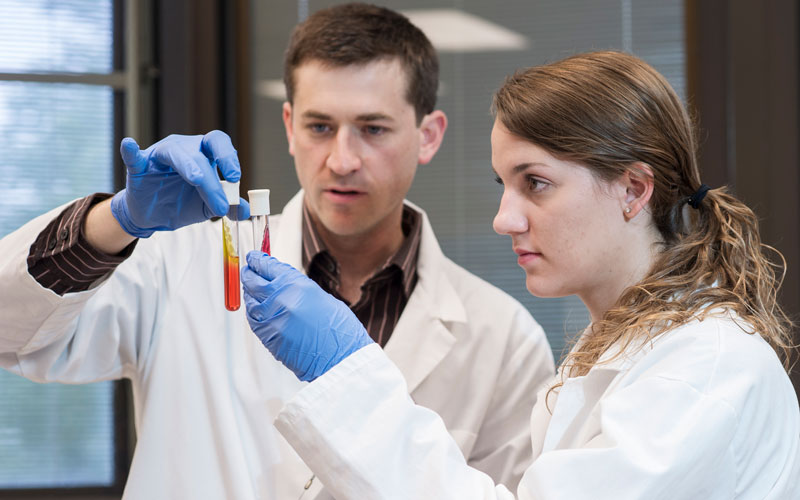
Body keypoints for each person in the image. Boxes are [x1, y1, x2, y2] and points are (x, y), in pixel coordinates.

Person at [0, 3, 554, 499]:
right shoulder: (179, 264)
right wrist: (114, 221)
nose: (341, 159)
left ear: (428, 135)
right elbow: (11, 332)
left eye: (373, 128)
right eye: (320, 126)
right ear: (289, 127)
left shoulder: (503, 338)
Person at [241, 50, 800, 499]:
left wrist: (346, 375)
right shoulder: (618, 353)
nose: (504, 218)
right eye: (502, 185)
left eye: (535, 183)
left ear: (633, 189)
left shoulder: (703, 371)